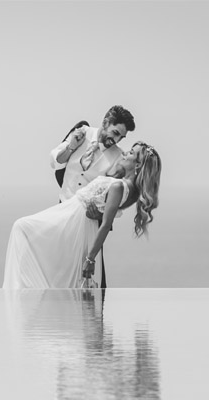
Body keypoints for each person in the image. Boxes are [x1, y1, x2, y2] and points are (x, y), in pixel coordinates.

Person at [3, 142, 161, 289]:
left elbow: (106, 224)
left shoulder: (119, 186)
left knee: (22, 227)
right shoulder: (126, 186)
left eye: (131, 153)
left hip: (75, 220)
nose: (125, 153)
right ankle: (26, 290)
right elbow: (111, 209)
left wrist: (90, 259)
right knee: (27, 234)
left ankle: (20, 291)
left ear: (138, 164)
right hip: (71, 214)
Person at [51, 105, 136, 287]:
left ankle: (93, 313)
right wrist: (71, 147)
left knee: (88, 274)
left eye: (121, 136)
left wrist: (99, 213)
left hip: (88, 220)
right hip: (62, 209)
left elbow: (117, 196)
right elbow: (55, 160)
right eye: (114, 132)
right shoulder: (82, 133)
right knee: (59, 268)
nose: (116, 139)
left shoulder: (119, 156)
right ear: (105, 122)